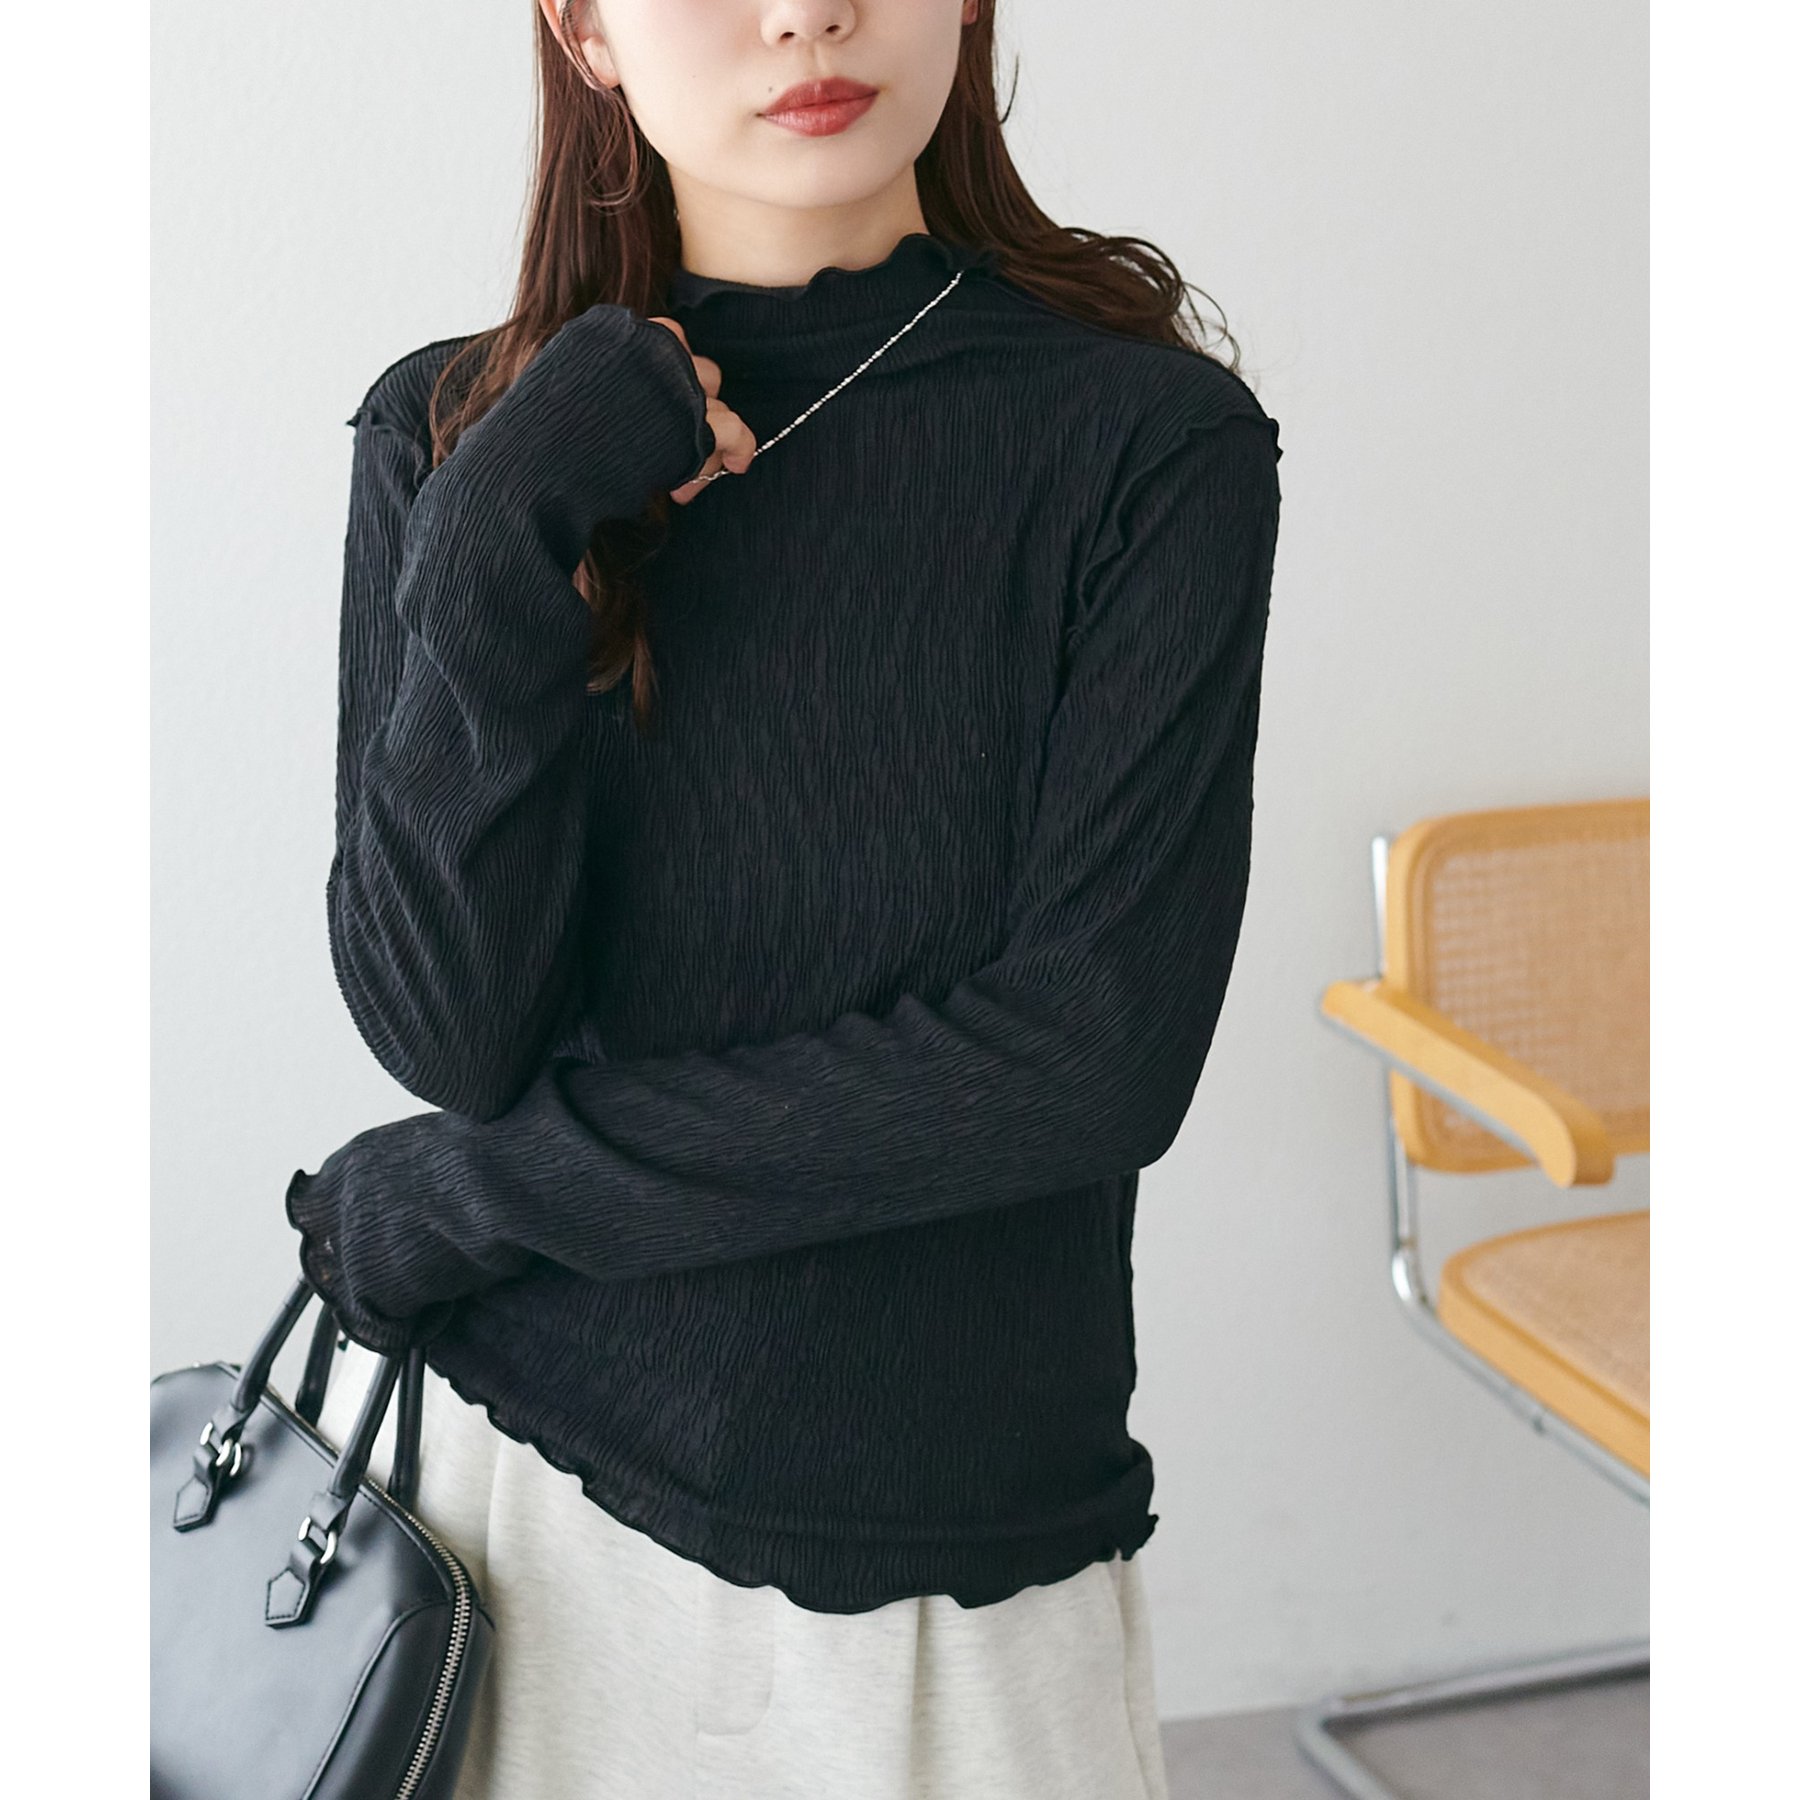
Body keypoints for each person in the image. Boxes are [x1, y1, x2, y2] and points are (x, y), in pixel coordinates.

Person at [297, 1, 1283, 1795]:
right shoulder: (456, 434)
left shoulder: (1146, 440)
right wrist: (504, 527)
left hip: (950, 1567)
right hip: (521, 1516)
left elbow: (1092, 1057)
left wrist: (481, 1190)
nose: (807, 13)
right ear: (584, 30)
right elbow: (451, 1026)